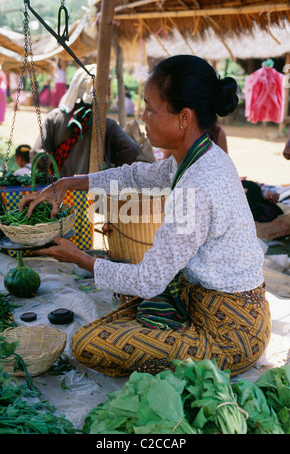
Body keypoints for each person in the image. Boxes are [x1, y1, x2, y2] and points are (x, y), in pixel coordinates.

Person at [19, 55, 271, 378]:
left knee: (85, 344)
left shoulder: (197, 187)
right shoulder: (198, 157)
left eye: (151, 109)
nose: (143, 117)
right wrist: (68, 183)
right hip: (213, 305)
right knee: (121, 299)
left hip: (229, 333)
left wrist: (78, 258)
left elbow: (150, 280)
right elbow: (136, 176)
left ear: (183, 118)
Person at [31, 65, 144, 177]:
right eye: (107, 90)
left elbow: (37, 155)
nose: (109, 95)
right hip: (94, 190)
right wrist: (110, 168)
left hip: (60, 191)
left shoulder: (54, 118)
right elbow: (131, 150)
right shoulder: (107, 125)